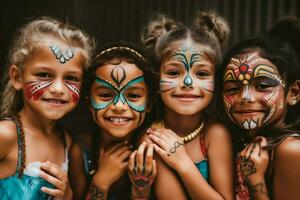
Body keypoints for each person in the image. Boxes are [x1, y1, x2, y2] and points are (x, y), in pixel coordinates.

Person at [141, 11, 234, 199]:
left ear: (216, 81)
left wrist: (181, 162)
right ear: (156, 80)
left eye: (202, 74)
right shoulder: (154, 138)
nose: (189, 83)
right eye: (174, 73)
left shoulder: (215, 132)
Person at [0, 16, 94, 199]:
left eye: (71, 78)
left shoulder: (67, 142)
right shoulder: (6, 135)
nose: (58, 89)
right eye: (44, 75)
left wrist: (67, 195)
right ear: (17, 77)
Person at [216, 18, 300, 199]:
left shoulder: (291, 150)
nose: (245, 97)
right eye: (232, 89)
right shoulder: (235, 140)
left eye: (262, 86)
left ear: (293, 93)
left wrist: (256, 182)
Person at [69, 43, 158, 200]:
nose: (118, 106)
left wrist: (140, 189)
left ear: (149, 104)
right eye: (105, 95)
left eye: (133, 96)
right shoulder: (81, 150)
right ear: (89, 102)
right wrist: (101, 180)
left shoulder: (152, 149)